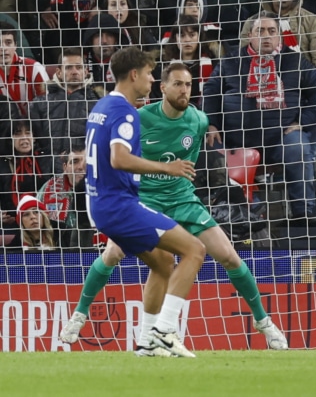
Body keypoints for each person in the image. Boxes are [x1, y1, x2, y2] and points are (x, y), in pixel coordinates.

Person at [60, 61, 287, 349]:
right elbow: (119, 156)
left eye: (189, 84)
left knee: (229, 256)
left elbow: (192, 162)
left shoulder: (199, 120)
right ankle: (80, 314)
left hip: (182, 199)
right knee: (114, 253)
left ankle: (263, 323)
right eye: (177, 84)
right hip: (147, 198)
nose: (184, 90)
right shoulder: (139, 117)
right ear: (162, 87)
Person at [78, 46, 206, 357]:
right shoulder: (126, 112)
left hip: (100, 203)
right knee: (195, 250)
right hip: (119, 205)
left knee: (163, 262)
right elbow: (119, 158)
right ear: (134, 75)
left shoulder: (102, 105)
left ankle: (147, 342)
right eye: (149, 74)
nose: (152, 80)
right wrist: (168, 167)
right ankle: (164, 329)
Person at [205, 13, 316, 224]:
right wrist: (211, 123)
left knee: (298, 146)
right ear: (249, 36)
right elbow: (210, 91)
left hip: (280, 138)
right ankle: (245, 209)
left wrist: (303, 121)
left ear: (279, 37)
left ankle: (303, 213)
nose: (266, 36)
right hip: (234, 139)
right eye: (260, 31)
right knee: (207, 145)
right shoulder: (230, 60)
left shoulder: (294, 60)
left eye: (271, 32)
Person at [28, 47, 94, 157]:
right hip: (47, 170)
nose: (74, 72)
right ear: (59, 72)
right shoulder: (39, 104)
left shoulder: (97, 104)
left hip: (82, 168)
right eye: (68, 68)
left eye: (79, 67)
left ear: (86, 72)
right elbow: (33, 142)